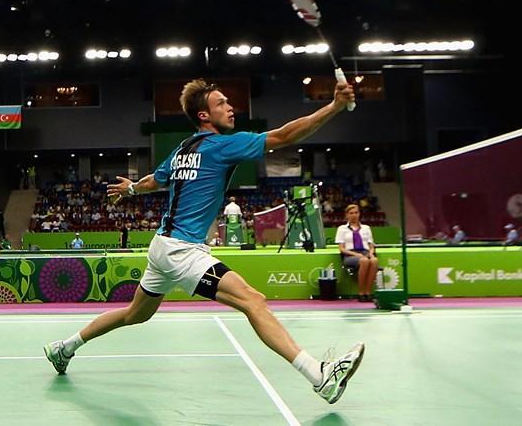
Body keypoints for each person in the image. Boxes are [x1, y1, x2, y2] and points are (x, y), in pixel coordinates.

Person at [45, 77, 364, 404]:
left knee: (134, 314)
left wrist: (131, 189)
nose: (230, 107)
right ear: (204, 116)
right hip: (182, 251)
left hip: (162, 247)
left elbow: (155, 180)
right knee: (253, 301)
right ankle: (319, 375)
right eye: (221, 103)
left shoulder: (182, 150)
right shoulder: (223, 145)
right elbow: (284, 136)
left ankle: (64, 348)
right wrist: (335, 106)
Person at [336, 203, 378, 302]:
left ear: (359, 214)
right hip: (350, 255)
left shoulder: (366, 228)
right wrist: (356, 254)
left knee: (374, 261)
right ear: (347, 215)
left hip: (365, 252)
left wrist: (371, 253)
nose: (354, 215)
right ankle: (361, 293)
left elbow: (371, 246)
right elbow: (342, 248)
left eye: (356, 212)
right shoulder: (342, 229)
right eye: (351, 213)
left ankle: (368, 292)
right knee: (364, 261)